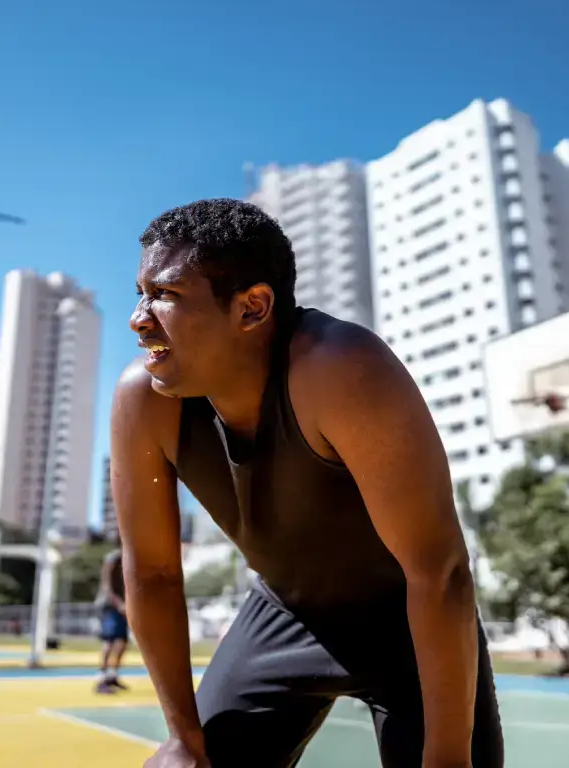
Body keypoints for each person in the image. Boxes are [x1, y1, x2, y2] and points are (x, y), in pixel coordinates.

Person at [110, 199, 503, 768]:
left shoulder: (339, 368)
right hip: (284, 610)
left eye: (165, 295)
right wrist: (182, 738)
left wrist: (446, 757)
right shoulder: (144, 400)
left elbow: (437, 570)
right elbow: (151, 572)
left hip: (408, 619)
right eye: (140, 293)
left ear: (252, 308)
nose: (139, 317)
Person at [95, 538, 131, 694]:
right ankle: (101, 680)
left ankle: (112, 676)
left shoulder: (130, 559)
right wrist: (119, 604)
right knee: (109, 642)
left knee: (122, 642)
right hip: (109, 606)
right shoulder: (113, 558)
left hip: (123, 607)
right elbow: (106, 586)